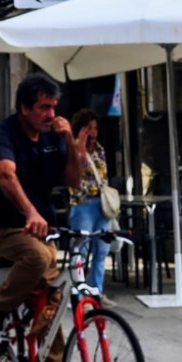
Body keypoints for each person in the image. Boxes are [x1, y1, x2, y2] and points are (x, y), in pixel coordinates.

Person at [0, 73, 85, 362]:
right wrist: (29, 213)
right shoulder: (5, 134)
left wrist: (71, 145)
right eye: (43, 108)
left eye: (54, 107)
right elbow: (6, 175)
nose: (51, 115)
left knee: (51, 303)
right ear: (24, 108)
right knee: (38, 260)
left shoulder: (54, 136)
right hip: (2, 224)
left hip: (39, 229)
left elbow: (73, 180)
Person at [66, 110, 112, 295]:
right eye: (89, 128)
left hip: (101, 204)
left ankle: (96, 291)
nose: (93, 132)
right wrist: (82, 147)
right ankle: (77, 292)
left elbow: (103, 174)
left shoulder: (100, 149)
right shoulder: (74, 148)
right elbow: (79, 170)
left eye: (95, 128)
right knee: (80, 250)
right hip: (82, 203)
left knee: (102, 249)